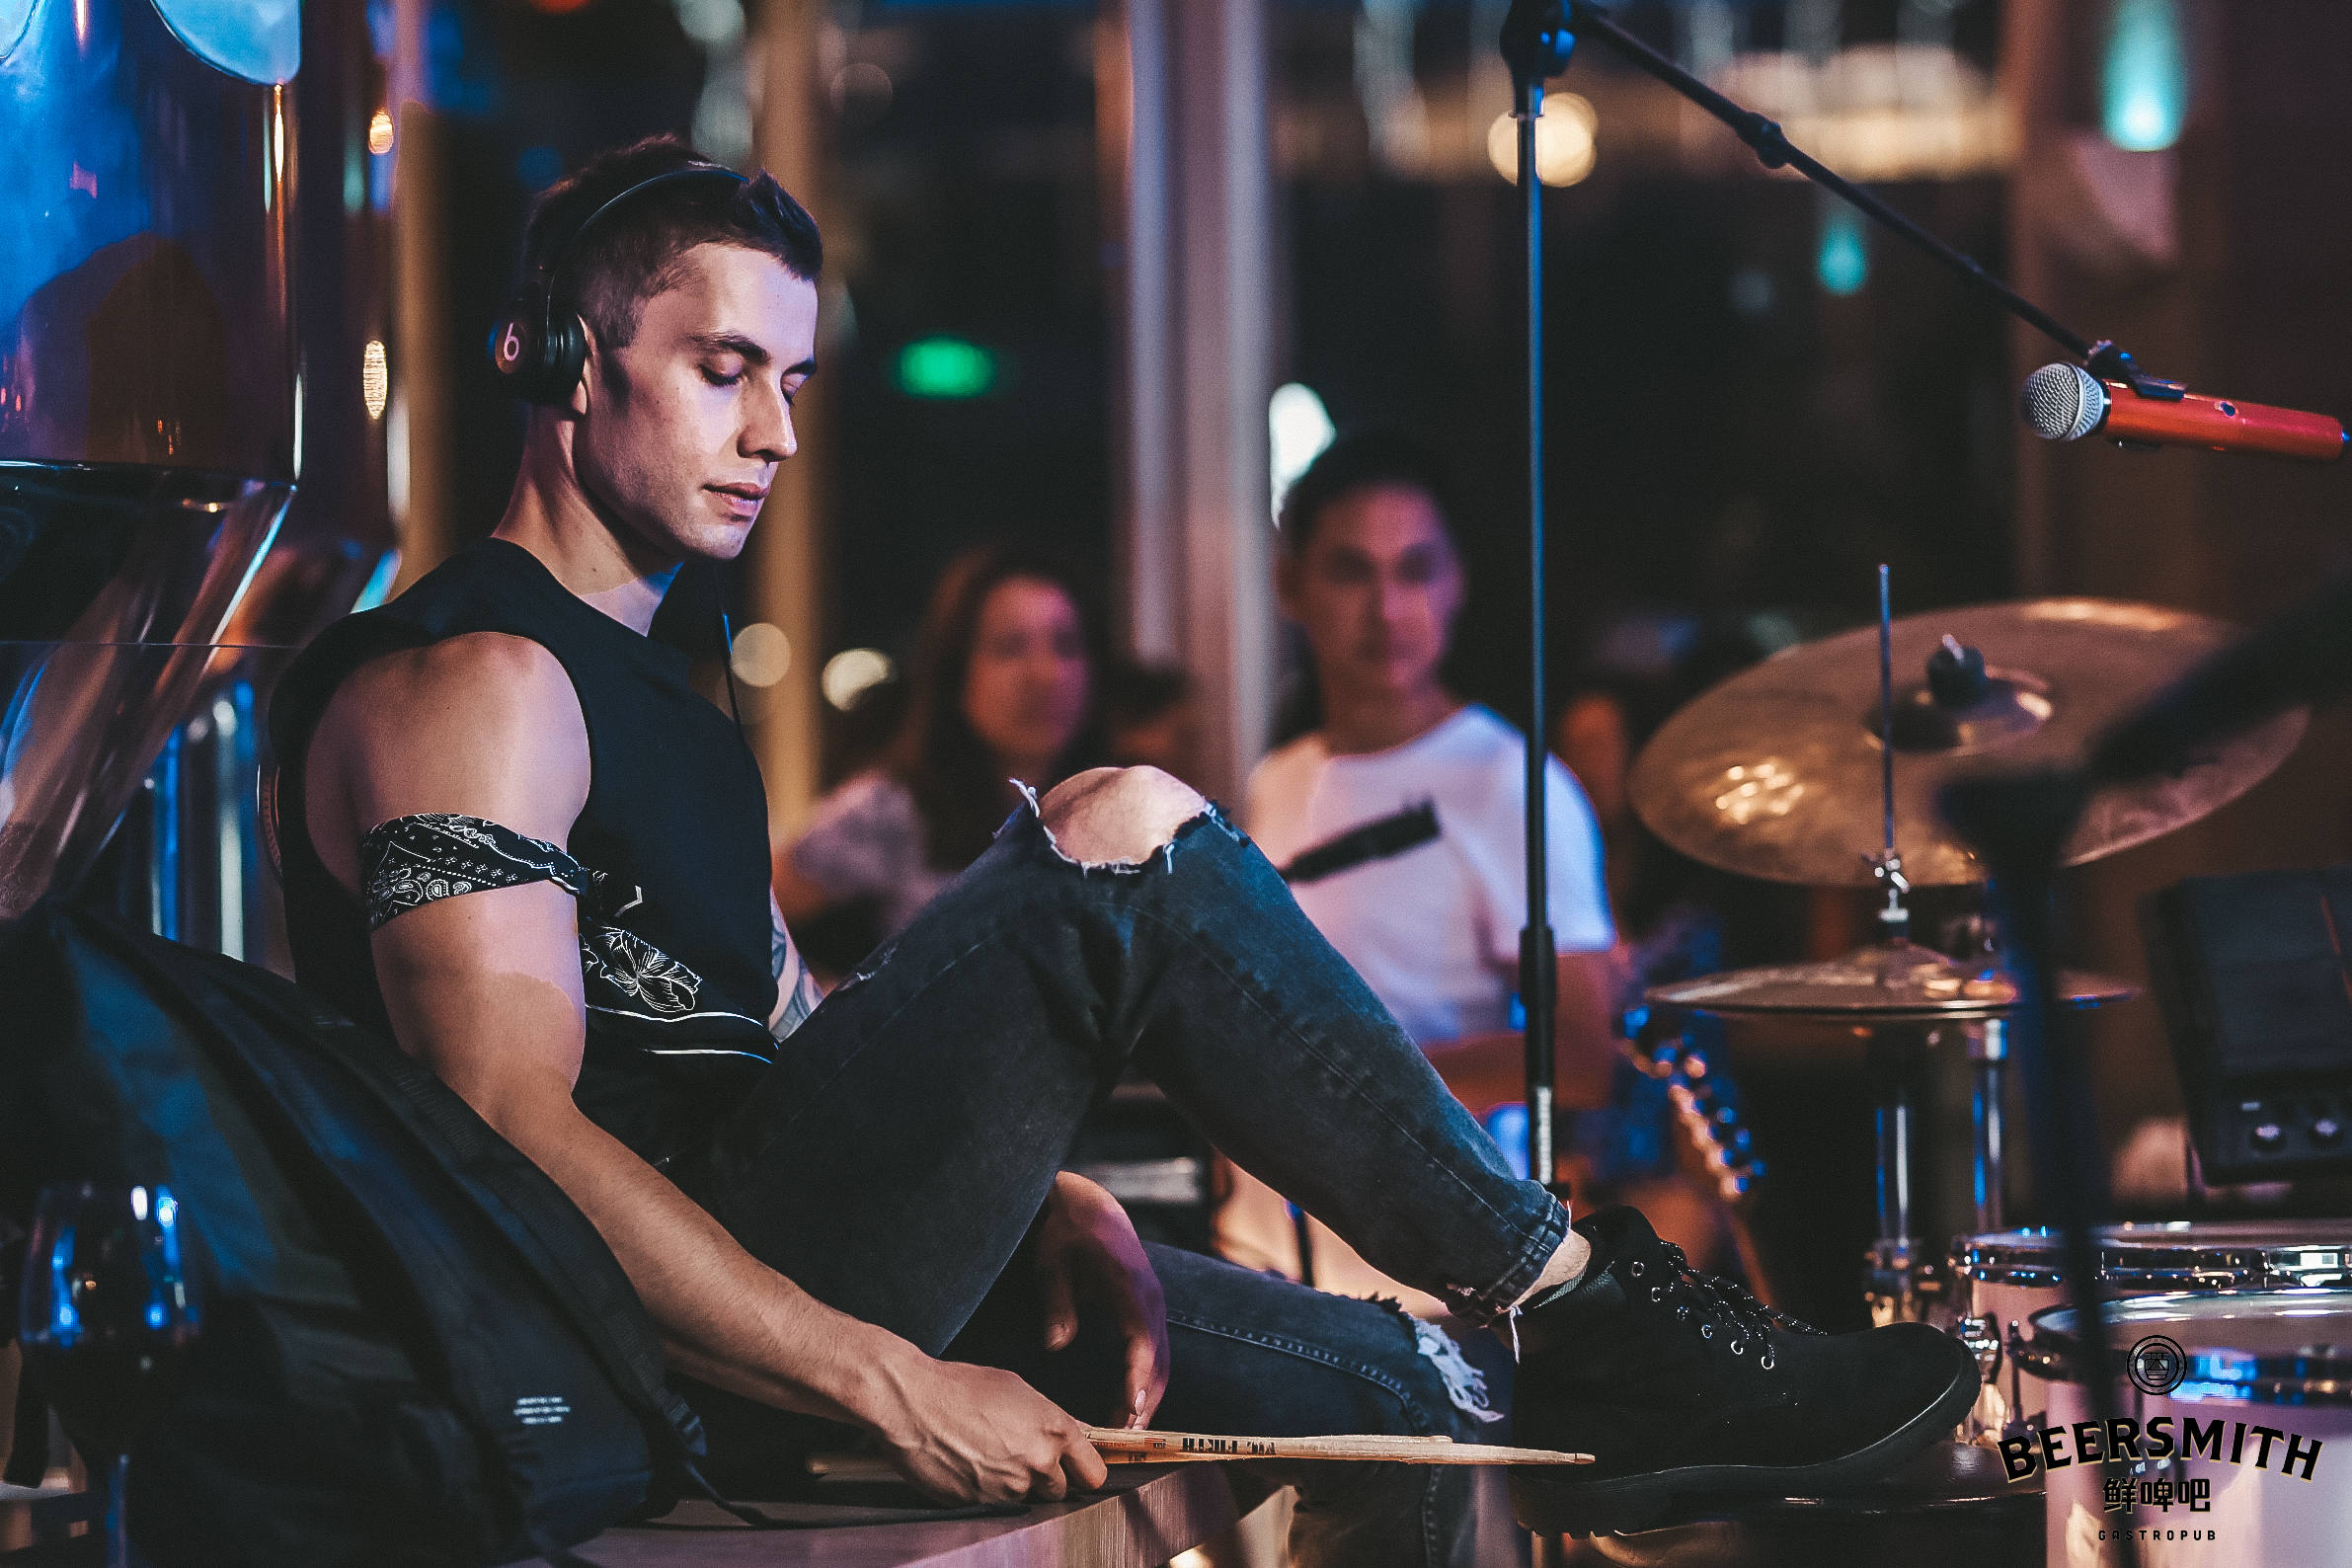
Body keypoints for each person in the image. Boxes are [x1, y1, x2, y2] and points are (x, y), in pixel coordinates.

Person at [266, 135, 1979, 1559]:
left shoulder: (673, 702)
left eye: (790, 381)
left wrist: (1043, 1189)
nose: (776, 431)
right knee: (1124, 830)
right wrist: (886, 1378)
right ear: (566, 362)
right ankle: (1583, 1299)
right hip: (629, 1353)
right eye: (723, 373)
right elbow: (503, 1128)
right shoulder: (474, 682)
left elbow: (786, 1040)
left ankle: (1582, 1346)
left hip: (775, 1252)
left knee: (1414, 1388)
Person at [1221, 434, 1621, 1309]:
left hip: (1431, 1288)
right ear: (1290, 586)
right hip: (1267, 1263)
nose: (1387, 608)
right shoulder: (1278, 779)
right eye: (1350, 571)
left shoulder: (1512, 785)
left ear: (1456, 584)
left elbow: (1584, 1054)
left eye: (1415, 570)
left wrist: (1343, 1089)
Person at [774, 544, 1102, 960]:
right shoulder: (890, 809)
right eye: (1010, 647)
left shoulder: (1124, 806)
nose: (1045, 674)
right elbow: (753, 912)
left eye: (1067, 645)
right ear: (955, 669)